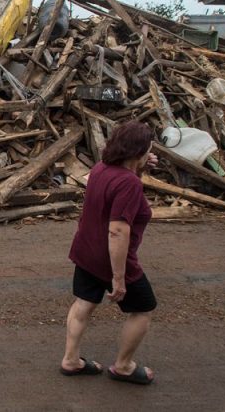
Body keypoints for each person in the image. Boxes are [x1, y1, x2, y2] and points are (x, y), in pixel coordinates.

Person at [59, 120, 158, 385]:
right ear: (138, 153)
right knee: (143, 308)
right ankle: (124, 366)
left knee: (84, 303)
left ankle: (71, 360)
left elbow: (114, 191)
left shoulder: (101, 169)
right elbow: (117, 230)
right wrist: (118, 277)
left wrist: (139, 168)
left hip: (85, 250)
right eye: (148, 150)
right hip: (110, 258)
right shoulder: (129, 184)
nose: (150, 154)